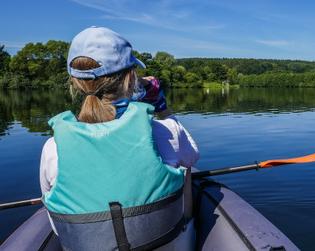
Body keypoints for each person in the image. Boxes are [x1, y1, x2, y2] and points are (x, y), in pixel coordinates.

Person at [39, 26, 199, 250]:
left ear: (74, 82)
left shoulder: (53, 148)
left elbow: (59, 225)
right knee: (186, 169)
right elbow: (193, 155)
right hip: (168, 243)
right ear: (130, 77)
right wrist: (161, 107)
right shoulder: (166, 132)